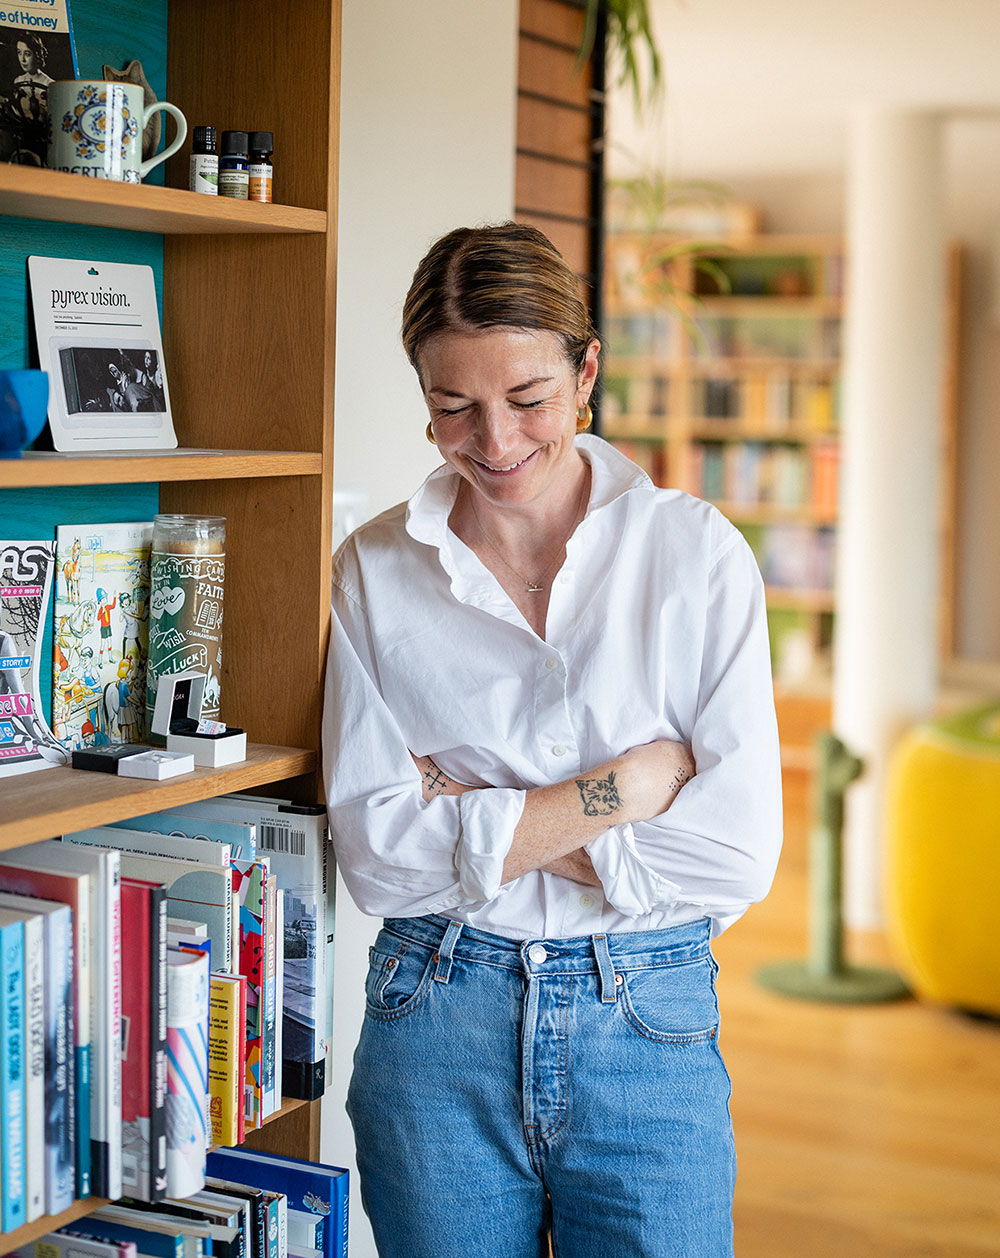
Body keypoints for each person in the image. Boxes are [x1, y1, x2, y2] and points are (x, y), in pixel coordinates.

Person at [322, 223, 783, 1258]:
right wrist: (630, 784)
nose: (493, 440)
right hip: (433, 1013)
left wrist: (469, 816)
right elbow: (381, 859)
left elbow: (733, 851)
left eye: (526, 399)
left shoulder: (695, 555)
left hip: (646, 1015)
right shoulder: (372, 570)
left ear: (584, 375)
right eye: (453, 407)